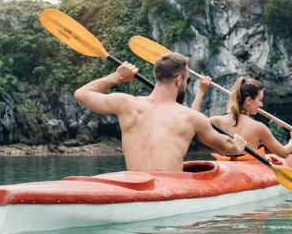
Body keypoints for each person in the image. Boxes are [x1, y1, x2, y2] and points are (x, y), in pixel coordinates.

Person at [73, 52, 246, 172]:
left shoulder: (127, 104)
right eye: (187, 79)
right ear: (179, 80)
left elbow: (81, 94)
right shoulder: (191, 117)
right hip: (168, 190)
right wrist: (237, 143)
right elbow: (227, 147)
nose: (186, 83)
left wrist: (117, 76)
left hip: (135, 185)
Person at [191, 76, 292, 158]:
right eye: (260, 100)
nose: (261, 105)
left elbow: (192, 121)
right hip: (247, 174)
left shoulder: (218, 121)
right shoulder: (258, 127)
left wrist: (201, 90)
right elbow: (283, 153)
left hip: (227, 170)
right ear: (248, 100)